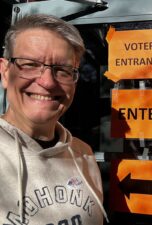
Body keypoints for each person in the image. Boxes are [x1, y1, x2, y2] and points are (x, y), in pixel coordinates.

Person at [0, 14, 108, 224]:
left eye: (63, 70)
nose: (48, 82)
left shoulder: (83, 155)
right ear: (5, 72)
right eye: (30, 64)